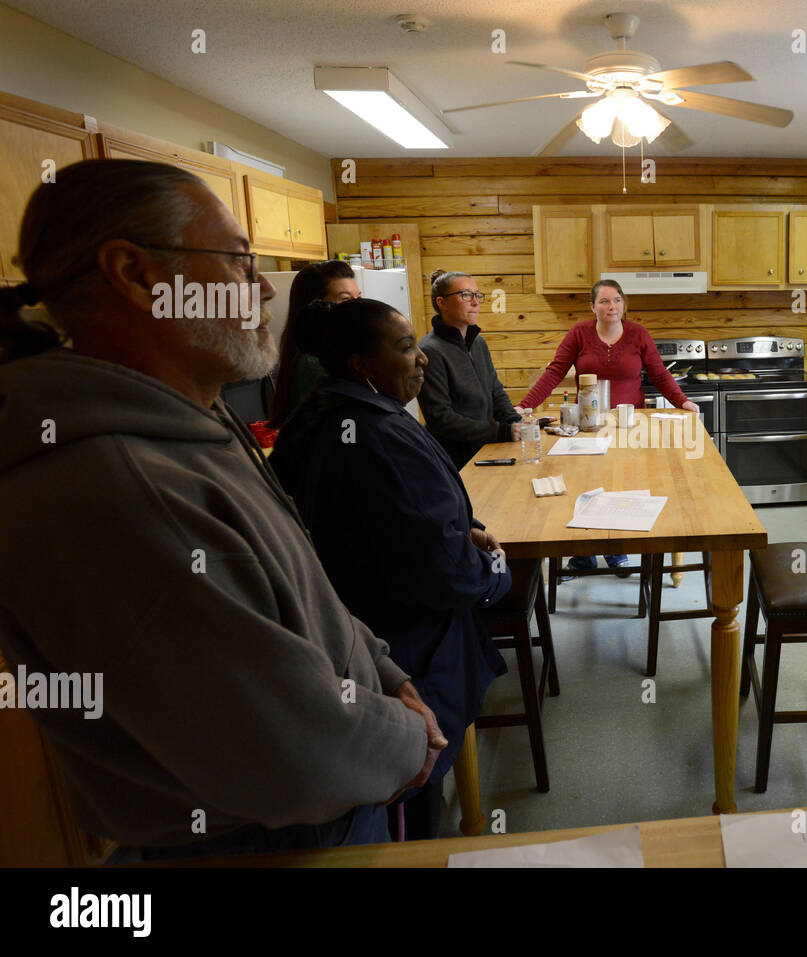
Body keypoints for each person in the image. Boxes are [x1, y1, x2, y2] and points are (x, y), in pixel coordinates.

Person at [0, 159, 439, 857]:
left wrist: (386, 674)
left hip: (323, 811)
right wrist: (410, 738)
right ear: (138, 276)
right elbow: (288, 749)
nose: (264, 288)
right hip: (258, 844)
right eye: (237, 261)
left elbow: (304, 596)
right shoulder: (115, 485)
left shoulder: (193, 417)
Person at [270, 297, 511, 840]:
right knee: (415, 795)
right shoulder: (379, 435)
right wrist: (495, 575)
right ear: (362, 364)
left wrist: (456, 531)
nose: (420, 358)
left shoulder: (316, 417)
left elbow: (394, 525)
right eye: (405, 348)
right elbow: (446, 572)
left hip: (356, 639)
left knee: (400, 794)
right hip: (408, 646)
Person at [519, 279, 699, 577]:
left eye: (616, 300)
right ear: (593, 307)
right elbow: (554, 372)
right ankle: (584, 553)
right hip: (588, 425)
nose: (611, 306)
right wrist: (525, 405)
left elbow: (659, 374)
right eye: (603, 301)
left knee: (623, 483)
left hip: (630, 425)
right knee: (583, 484)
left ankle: (617, 549)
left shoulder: (639, 334)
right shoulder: (579, 333)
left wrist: (682, 401)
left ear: (623, 304)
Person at [416, 269, 521, 469]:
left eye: (477, 295)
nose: (475, 302)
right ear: (442, 303)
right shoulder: (429, 350)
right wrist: (501, 431)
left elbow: (495, 391)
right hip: (453, 460)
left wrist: (517, 422)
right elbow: (441, 419)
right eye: (465, 295)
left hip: (485, 449)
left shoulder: (478, 342)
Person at [267, 259, 360, 427]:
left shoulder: (335, 353)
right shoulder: (314, 364)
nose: (359, 306)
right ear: (316, 307)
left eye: (359, 297)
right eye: (345, 299)